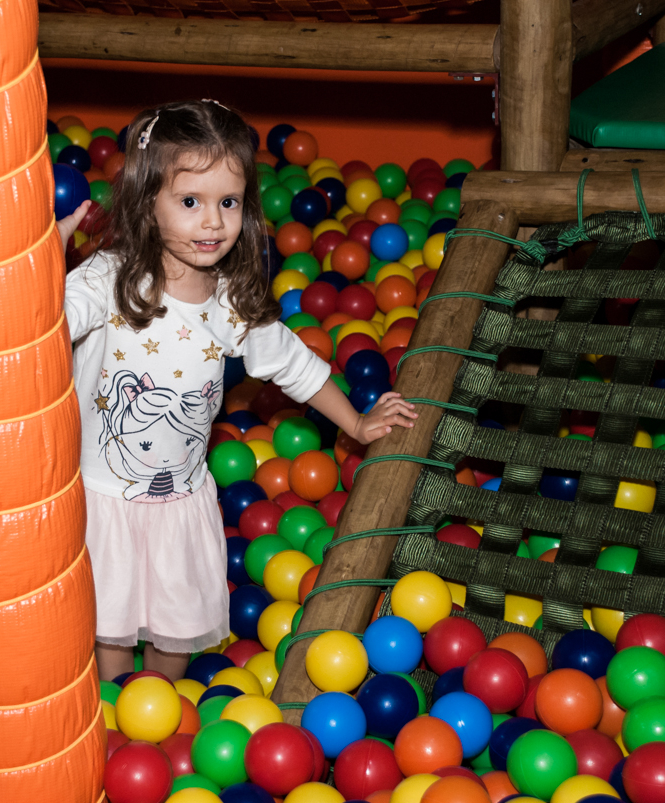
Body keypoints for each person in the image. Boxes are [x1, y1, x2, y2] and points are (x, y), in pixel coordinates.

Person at [56, 99, 417, 682]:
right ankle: (113, 718)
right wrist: (46, 257)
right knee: (108, 630)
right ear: (148, 200)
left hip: (179, 502)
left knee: (174, 633)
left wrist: (356, 424)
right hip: (103, 499)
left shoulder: (230, 301)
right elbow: (46, 324)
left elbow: (295, 365)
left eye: (227, 203)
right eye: (190, 202)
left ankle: (162, 710)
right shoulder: (109, 279)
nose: (213, 223)